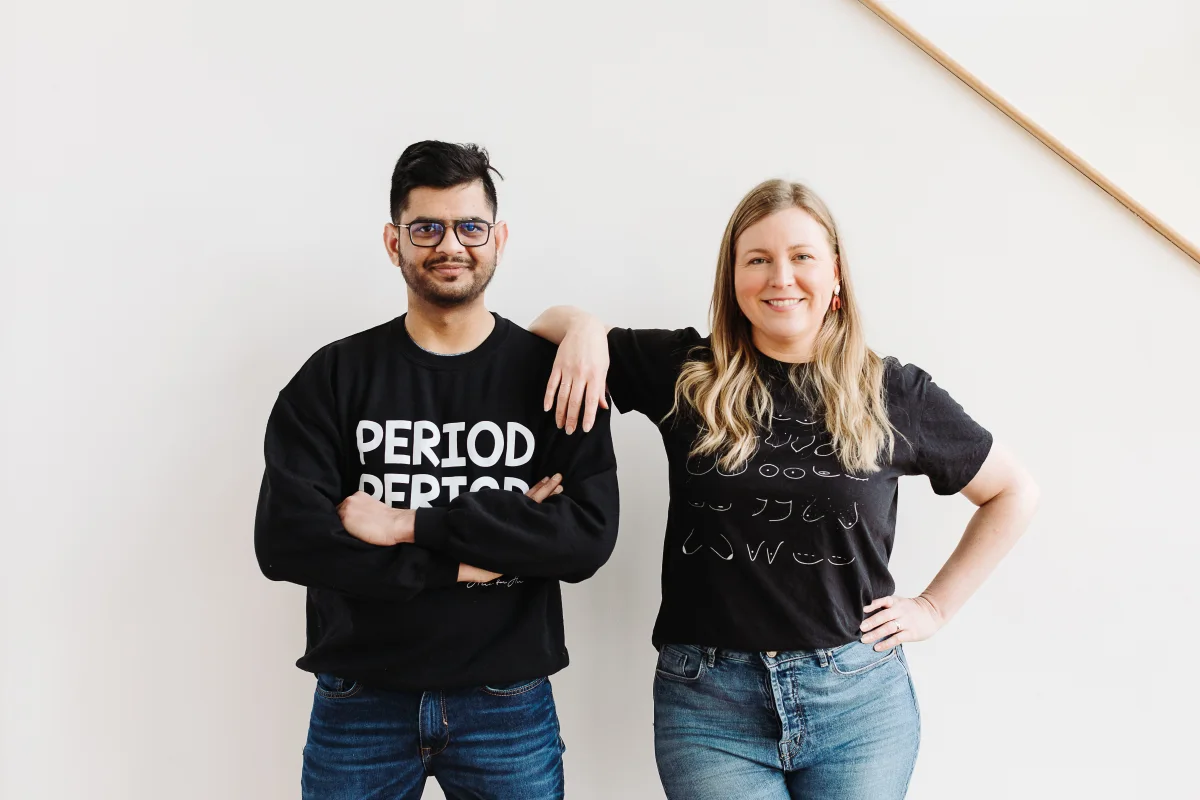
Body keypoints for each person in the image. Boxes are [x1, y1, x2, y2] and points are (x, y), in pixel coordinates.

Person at [530, 179, 1039, 799]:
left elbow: (1012, 492)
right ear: (733, 276)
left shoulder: (894, 393)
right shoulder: (686, 372)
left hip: (859, 705)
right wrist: (584, 326)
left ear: (836, 276)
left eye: (802, 257)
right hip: (709, 707)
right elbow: (543, 328)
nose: (781, 278)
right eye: (758, 259)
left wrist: (934, 608)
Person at [255, 140, 619, 800]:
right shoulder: (333, 378)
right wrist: (467, 561)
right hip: (359, 700)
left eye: (470, 226)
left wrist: (405, 525)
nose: (450, 244)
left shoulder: (552, 376)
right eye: (427, 227)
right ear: (394, 242)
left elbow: (584, 538)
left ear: (498, 238)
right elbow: (289, 541)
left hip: (507, 703)